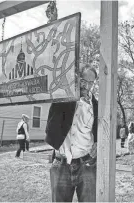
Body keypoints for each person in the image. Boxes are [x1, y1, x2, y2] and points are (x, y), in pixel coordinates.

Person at [45, 65, 98, 202]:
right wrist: (70, 97)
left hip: (87, 164)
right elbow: (50, 127)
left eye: (91, 83)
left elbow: (101, 132)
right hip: (61, 163)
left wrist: (99, 144)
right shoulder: (63, 97)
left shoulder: (97, 105)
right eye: (83, 81)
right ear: (77, 79)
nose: (86, 86)